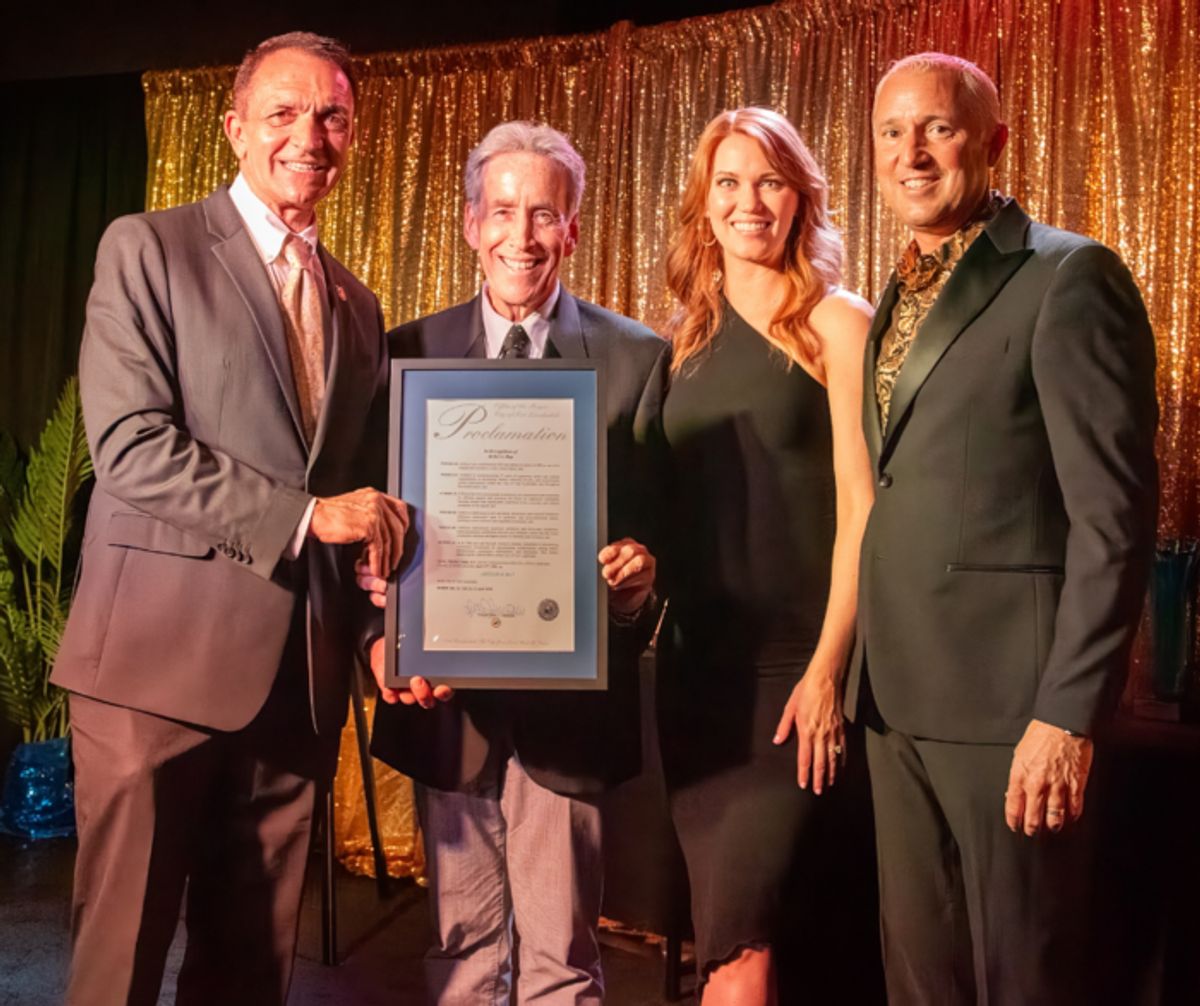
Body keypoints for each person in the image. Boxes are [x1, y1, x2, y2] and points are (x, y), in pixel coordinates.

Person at [51, 32, 409, 1006]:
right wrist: (307, 517)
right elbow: (131, 444)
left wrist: (383, 627)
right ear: (235, 128)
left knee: (250, 970)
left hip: (296, 690)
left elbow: (357, 496)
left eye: (332, 115)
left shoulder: (359, 305)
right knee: (117, 963)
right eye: (285, 112)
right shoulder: (148, 248)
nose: (310, 135)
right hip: (153, 678)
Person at [844, 52, 1158, 1004]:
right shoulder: (897, 288)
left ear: (992, 141)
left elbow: (1114, 516)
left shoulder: (1069, 276)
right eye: (892, 133)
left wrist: (1066, 712)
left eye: (937, 128)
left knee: (1025, 978)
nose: (913, 153)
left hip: (1007, 711)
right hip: (895, 699)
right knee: (921, 981)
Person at [362, 121, 669, 1004]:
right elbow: (365, 531)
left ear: (573, 228)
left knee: (563, 962)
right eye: (502, 212)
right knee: (458, 952)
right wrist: (381, 639)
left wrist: (632, 589)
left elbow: (653, 554)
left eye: (544, 214)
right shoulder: (404, 354)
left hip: (568, 717)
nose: (521, 236)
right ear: (469, 224)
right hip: (445, 704)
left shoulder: (635, 359)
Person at [654, 107, 874, 1004]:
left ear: (800, 200)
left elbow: (866, 507)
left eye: (771, 181)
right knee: (737, 941)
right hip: (695, 679)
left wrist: (828, 670)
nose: (750, 202)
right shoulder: (675, 344)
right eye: (730, 183)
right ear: (704, 206)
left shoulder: (837, 323)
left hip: (794, 674)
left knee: (745, 941)